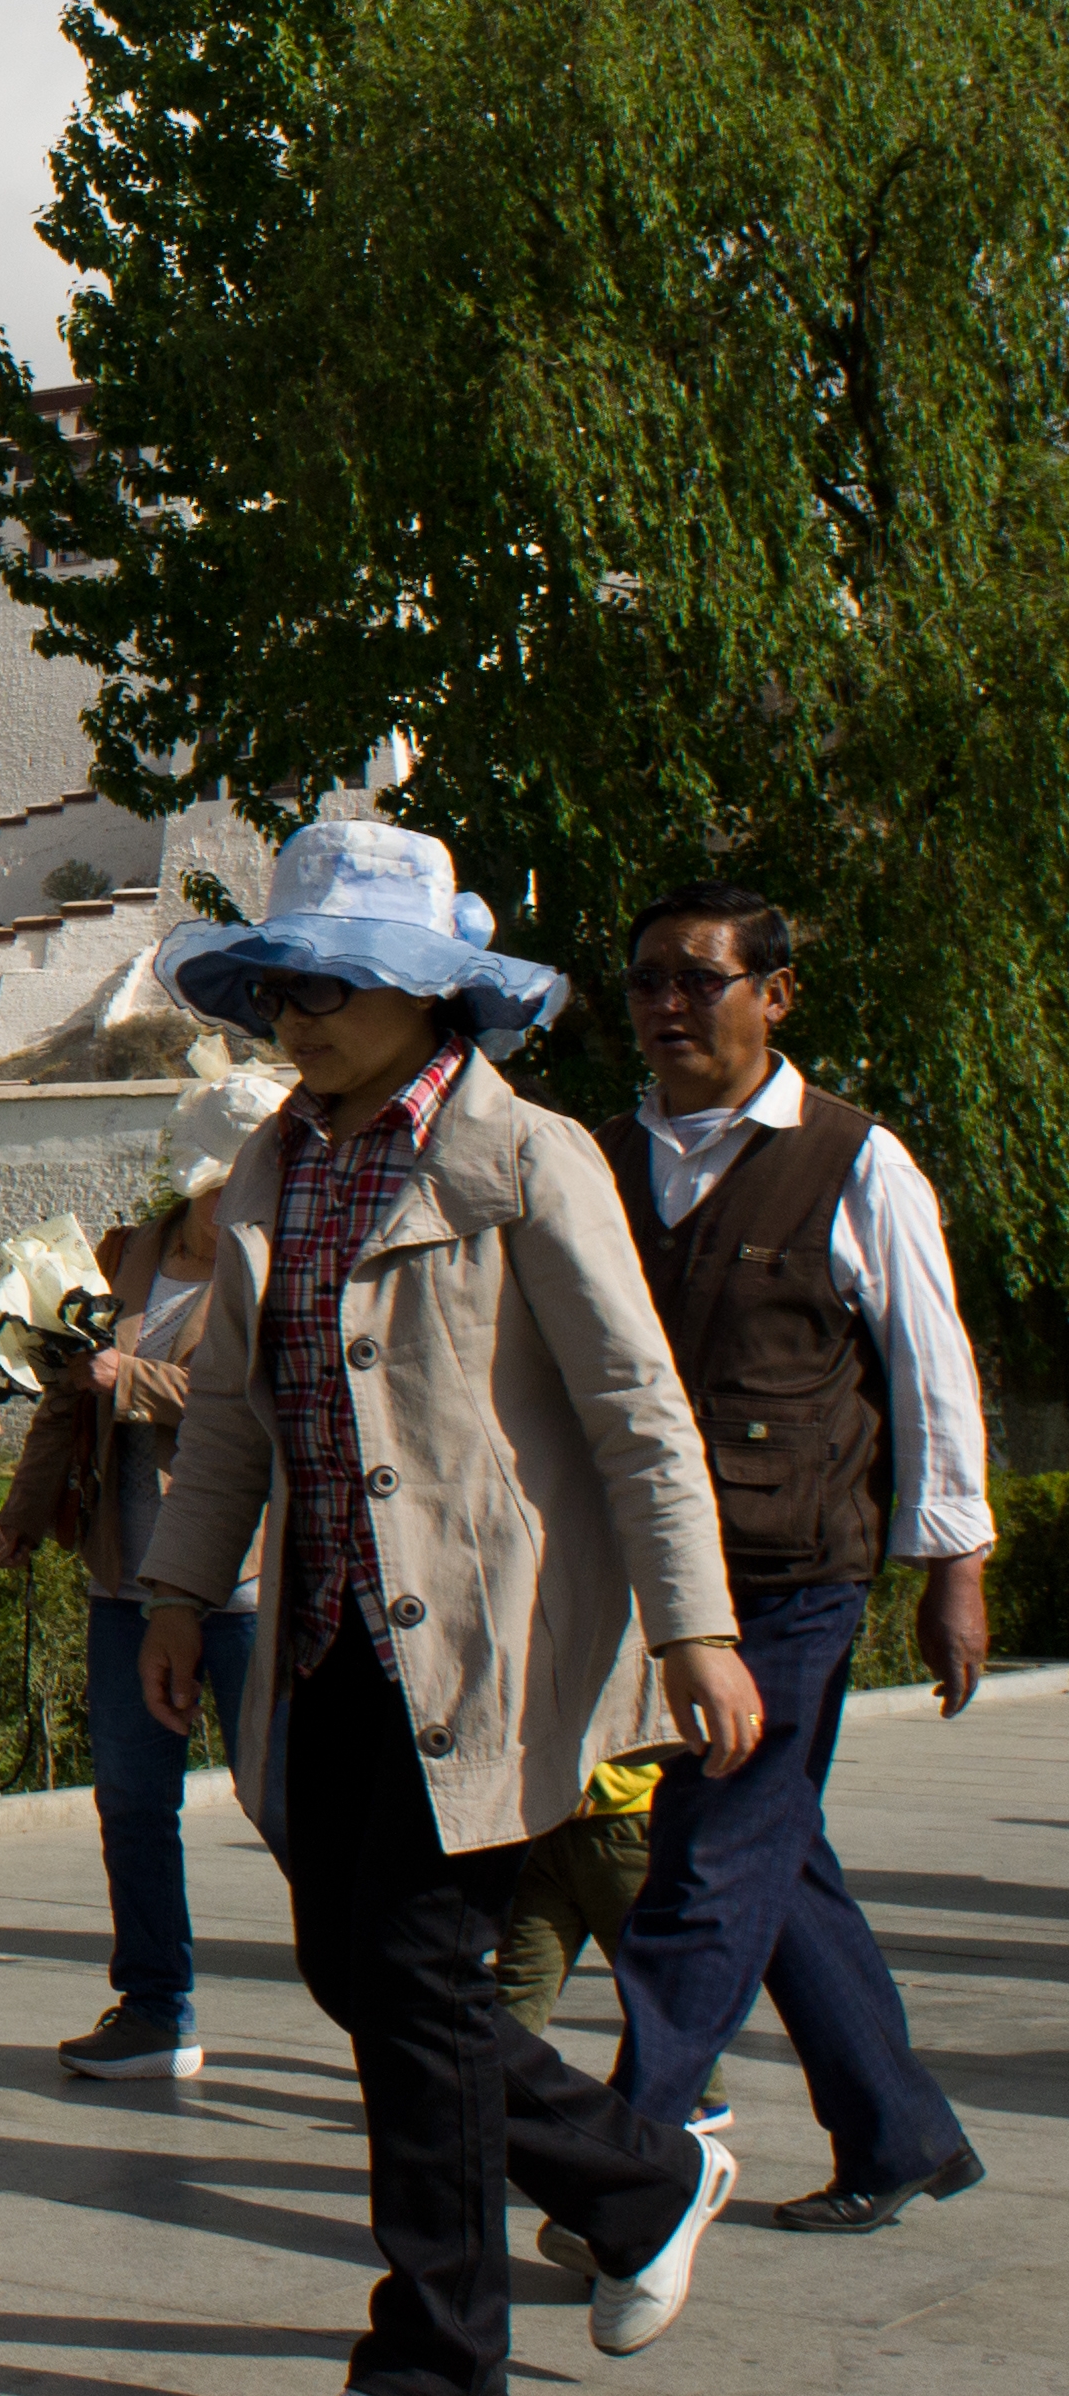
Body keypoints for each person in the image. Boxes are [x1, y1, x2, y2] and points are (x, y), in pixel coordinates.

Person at [144, 821, 764, 2391]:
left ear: (427, 996)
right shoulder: (273, 1165)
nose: (298, 1013)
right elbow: (228, 1411)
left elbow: (632, 1402)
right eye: (279, 982)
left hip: (476, 1652)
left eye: (334, 983)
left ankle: (430, 2356)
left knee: (418, 1991)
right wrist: (172, 1595)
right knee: (358, 1976)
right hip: (321, 1647)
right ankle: (638, 2178)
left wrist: (694, 1627)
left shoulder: (521, 1156)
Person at [589, 880, 987, 2232]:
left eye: (695, 978)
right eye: (646, 980)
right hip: (659, 1582)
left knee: (702, 1869)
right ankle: (897, 2132)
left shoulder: (854, 1159)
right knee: (774, 1860)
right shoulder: (598, 1163)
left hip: (794, 1578)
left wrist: (952, 1568)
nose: (664, 1005)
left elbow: (929, 1374)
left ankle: (626, 2164)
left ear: (772, 993)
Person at [0, 1066, 284, 2080]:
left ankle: (386, 1975)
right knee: (130, 1798)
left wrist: (140, 1380)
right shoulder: (123, 1259)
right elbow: (66, 1401)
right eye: (214, 1186)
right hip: (125, 1575)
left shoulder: (281, 1265)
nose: (226, 1204)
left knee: (277, 1794)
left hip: (243, 1578)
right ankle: (155, 2004)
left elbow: (269, 1405)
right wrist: (20, 1521)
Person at [498, 1761, 726, 2137]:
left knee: (651, 1980)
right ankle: (484, 2087)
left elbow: (653, 1727)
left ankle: (699, 2097)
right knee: (521, 1977)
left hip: (623, 1826)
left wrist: (597, 1789)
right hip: (544, 1828)